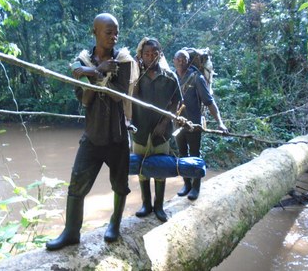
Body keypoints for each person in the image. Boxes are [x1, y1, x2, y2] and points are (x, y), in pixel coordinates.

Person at [46, 13, 136, 250]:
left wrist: (96, 74)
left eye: (116, 32)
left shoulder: (124, 60)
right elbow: (83, 96)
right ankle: (71, 232)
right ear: (94, 32)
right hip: (93, 135)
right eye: (109, 32)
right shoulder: (83, 60)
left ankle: (114, 224)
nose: (114, 37)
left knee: (120, 184)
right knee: (76, 185)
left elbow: (119, 94)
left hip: (117, 136)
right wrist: (97, 71)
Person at [131, 38, 182, 222]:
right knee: (142, 168)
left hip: (162, 133)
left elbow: (176, 101)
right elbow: (131, 96)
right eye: (146, 54)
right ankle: (146, 204)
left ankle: (159, 206)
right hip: (140, 131)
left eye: (154, 53)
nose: (150, 57)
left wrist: (165, 121)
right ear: (140, 56)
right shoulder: (136, 76)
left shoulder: (169, 76)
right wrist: (137, 70)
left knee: (160, 168)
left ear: (160, 54)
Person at [173, 49, 228, 200]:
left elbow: (209, 102)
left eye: (184, 59)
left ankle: (196, 187)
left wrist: (220, 123)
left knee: (195, 154)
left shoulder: (196, 78)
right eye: (178, 59)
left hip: (194, 123)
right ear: (174, 61)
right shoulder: (172, 77)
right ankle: (187, 184)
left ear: (188, 61)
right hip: (177, 124)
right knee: (182, 154)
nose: (181, 62)